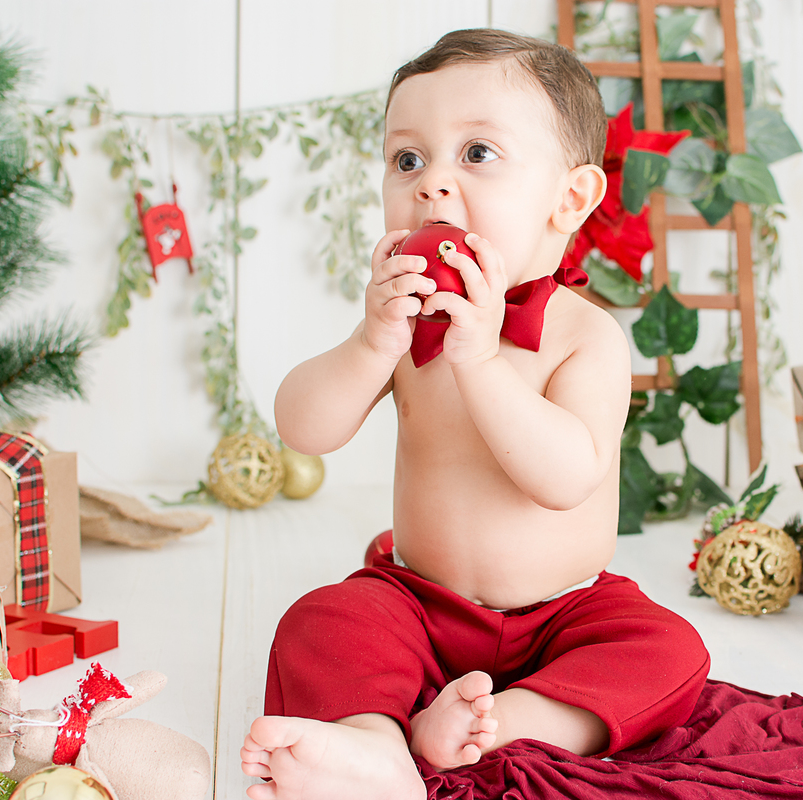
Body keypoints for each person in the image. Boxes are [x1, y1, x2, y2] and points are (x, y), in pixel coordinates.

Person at [240, 28, 709, 800]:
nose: (431, 185)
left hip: (567, 613)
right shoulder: (401, 324)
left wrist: (483, 363)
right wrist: (368, 343)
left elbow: (565, 478)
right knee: (321, 621)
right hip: (420, 601)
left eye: (477, 154)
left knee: (670, 650)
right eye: (407, 159)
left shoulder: (586, 336)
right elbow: (304, 428)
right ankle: (373, 747)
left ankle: (516, 721)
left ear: (571, 198)